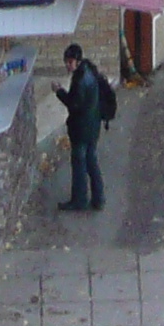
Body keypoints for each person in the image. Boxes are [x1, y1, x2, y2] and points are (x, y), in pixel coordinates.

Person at [55, 44, 108, 211]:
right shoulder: (90, 72)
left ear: (77, 62)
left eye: (70, 62)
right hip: (93, 126)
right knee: (91, 161)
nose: (67, 65)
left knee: (79, 164)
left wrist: (59, 91)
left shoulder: (79, 80)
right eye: (66, 62)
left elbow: (73, 104)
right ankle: (98, 198)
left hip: (81, 130)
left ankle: (79, 200)